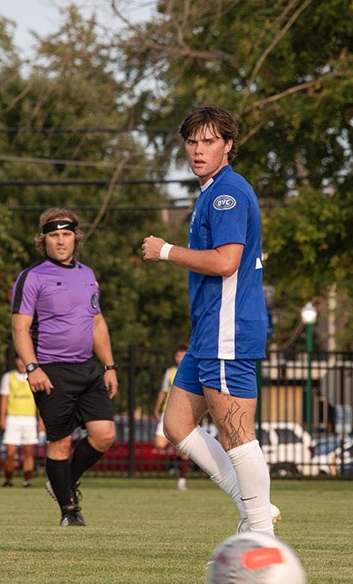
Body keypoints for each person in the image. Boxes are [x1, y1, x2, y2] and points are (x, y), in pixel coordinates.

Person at [141, 105, 280, 535]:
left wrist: (165, 251)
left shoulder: (227, 194)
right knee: (176, 425)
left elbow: (225, 262)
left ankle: (260, 532)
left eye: (209, 141)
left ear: (228, 145)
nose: (199, 150)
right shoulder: (210, 192)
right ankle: (255, 506)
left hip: (227, 330)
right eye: (192, 141)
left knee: (238, 432)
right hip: (207, 331)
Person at [11, 207, 118, 527]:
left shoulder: (88, 274)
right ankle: (69, 511)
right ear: (43, 240)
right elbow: (19, 328)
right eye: (54, 236)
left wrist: (109, 366)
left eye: (66, 235)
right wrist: (33, 368)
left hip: (87, 368)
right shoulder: (31, 277)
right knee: (60, 441)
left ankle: (62, 482)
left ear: (76, 238)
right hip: (51, 371)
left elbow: (97, 322)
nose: (61, 241)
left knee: (104, 435)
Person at [0, 356, 45, 488]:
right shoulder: (8, 377)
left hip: (29, 419)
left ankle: (27, 480)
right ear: (16, 361)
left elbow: (39, 402)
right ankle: (9, 480)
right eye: (19, 359)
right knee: (10, 452)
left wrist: (41, 419)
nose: (21, 363)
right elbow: (4, 399)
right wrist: (2, 417)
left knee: (29, 452)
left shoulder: (34, 377)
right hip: (12, 418)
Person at [154, 345, 191, 490]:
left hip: (185, 413)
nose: (180, 358)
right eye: (178, 356)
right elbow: (163, 391)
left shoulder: (192, 371)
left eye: (183, 355)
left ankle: (182, 480)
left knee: (184, 450)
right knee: (160, 444)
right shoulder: (170, 372)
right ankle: (175, 446)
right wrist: (157, 408)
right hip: (167, 411)